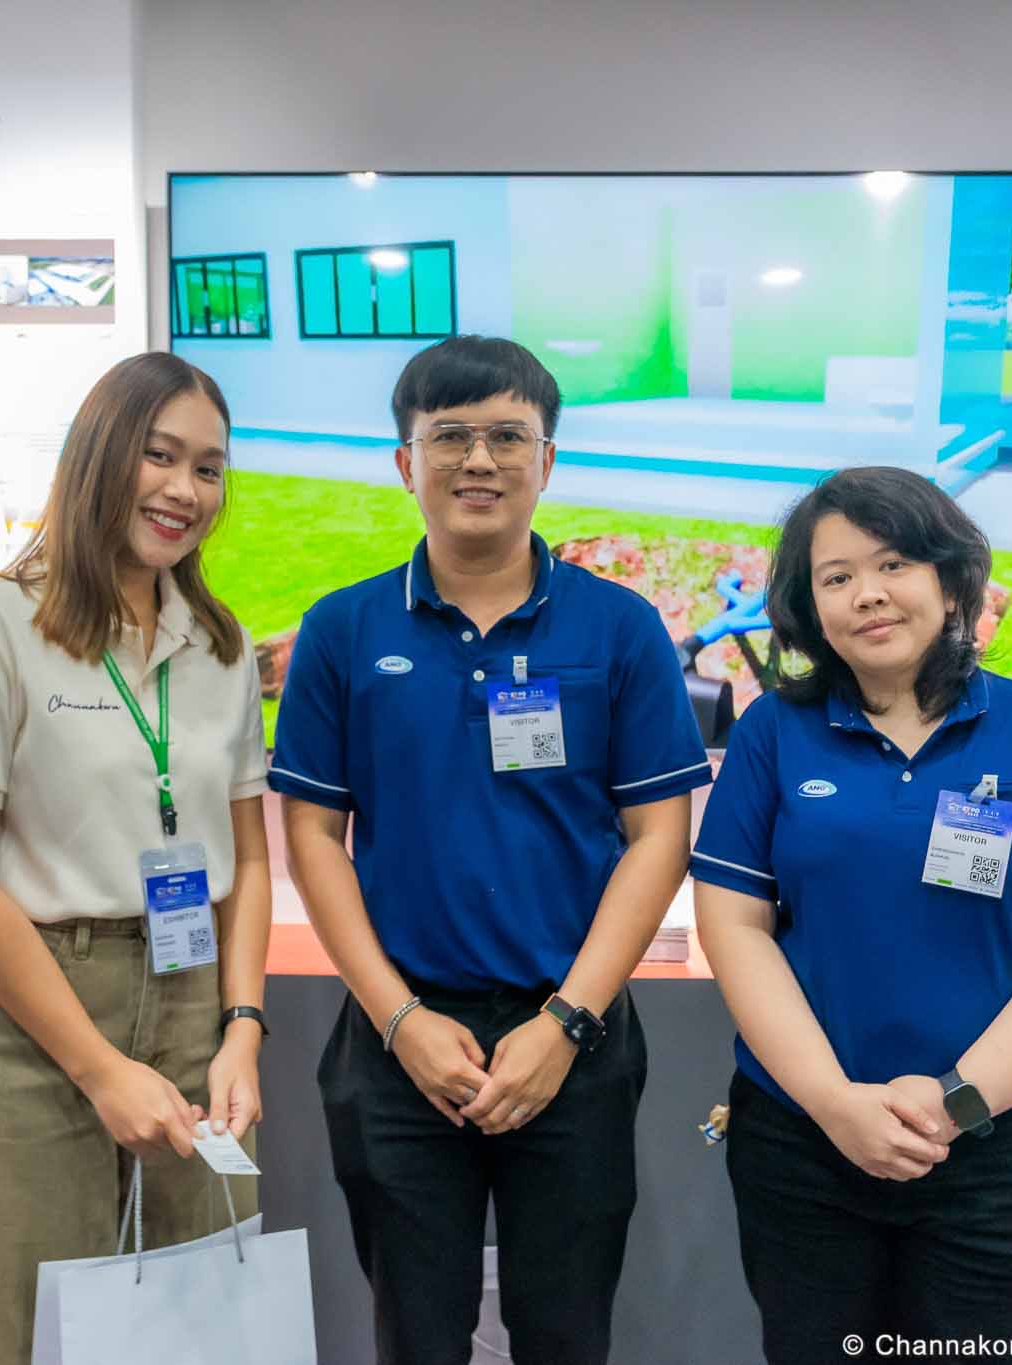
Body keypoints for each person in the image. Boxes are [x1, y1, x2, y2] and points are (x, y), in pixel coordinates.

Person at [271, 335, 712, 1365]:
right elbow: (314, 836)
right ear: (405, 461)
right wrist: (400, 1021)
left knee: (565, 1331)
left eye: (508, 436)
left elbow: (658, 836)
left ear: (546, 460)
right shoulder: (342, 630)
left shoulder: (619, 628)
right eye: (451, 436)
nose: (479, 459)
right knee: (415, 1336)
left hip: (574, 1036)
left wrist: (565, 1022)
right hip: (398, 1041)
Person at [690, 466, 1012, 1363]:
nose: (868, 592)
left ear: (951, 577)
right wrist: (834, 1103)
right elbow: (735, 927)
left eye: (894, 563)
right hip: (805, 1144)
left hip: (1003, 1151)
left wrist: (957, 1101)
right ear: (809, 605)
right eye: (836, 576)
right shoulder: (773, 732)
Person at [0, 353, 272, 1364]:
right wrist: (99, 1067)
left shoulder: (219, 646)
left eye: (208, 468)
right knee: (27, 1337)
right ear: (99, 455)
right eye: (160, 456)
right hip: (22, 1020)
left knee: (197, 1330)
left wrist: (241, 1030)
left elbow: (248, 861)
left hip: (191, 1007)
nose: (185, 489)